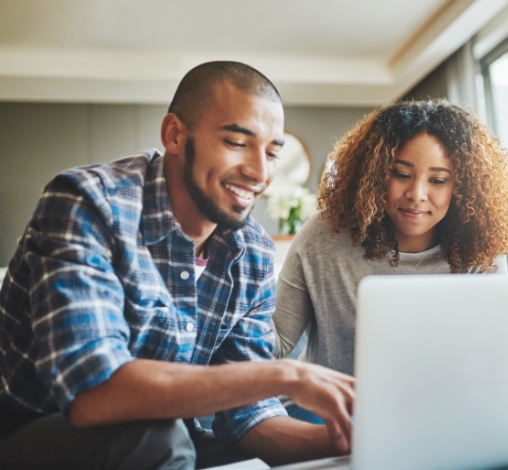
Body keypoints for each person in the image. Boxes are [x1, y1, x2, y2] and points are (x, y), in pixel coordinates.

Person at [0, 61, 355, 469]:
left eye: (273, 152)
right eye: (237, 143)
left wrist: (352, 441)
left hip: (161, 438)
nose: (260, 172)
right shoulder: (88, 203)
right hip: (30, 433)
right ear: (174, 134)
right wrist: (285, 375)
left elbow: (247, 416)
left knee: (235, 458)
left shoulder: (252, 251)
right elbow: (92, 393)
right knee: (161, 440)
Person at [273, 100, 508, 385]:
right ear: (374, 173)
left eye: (438, 180)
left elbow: (490, 356)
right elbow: (276, 343)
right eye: (402, 175)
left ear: (462, 187)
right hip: (332, 413)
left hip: (442, 408)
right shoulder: (324, 235)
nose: (417, 193)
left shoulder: (479, 252)